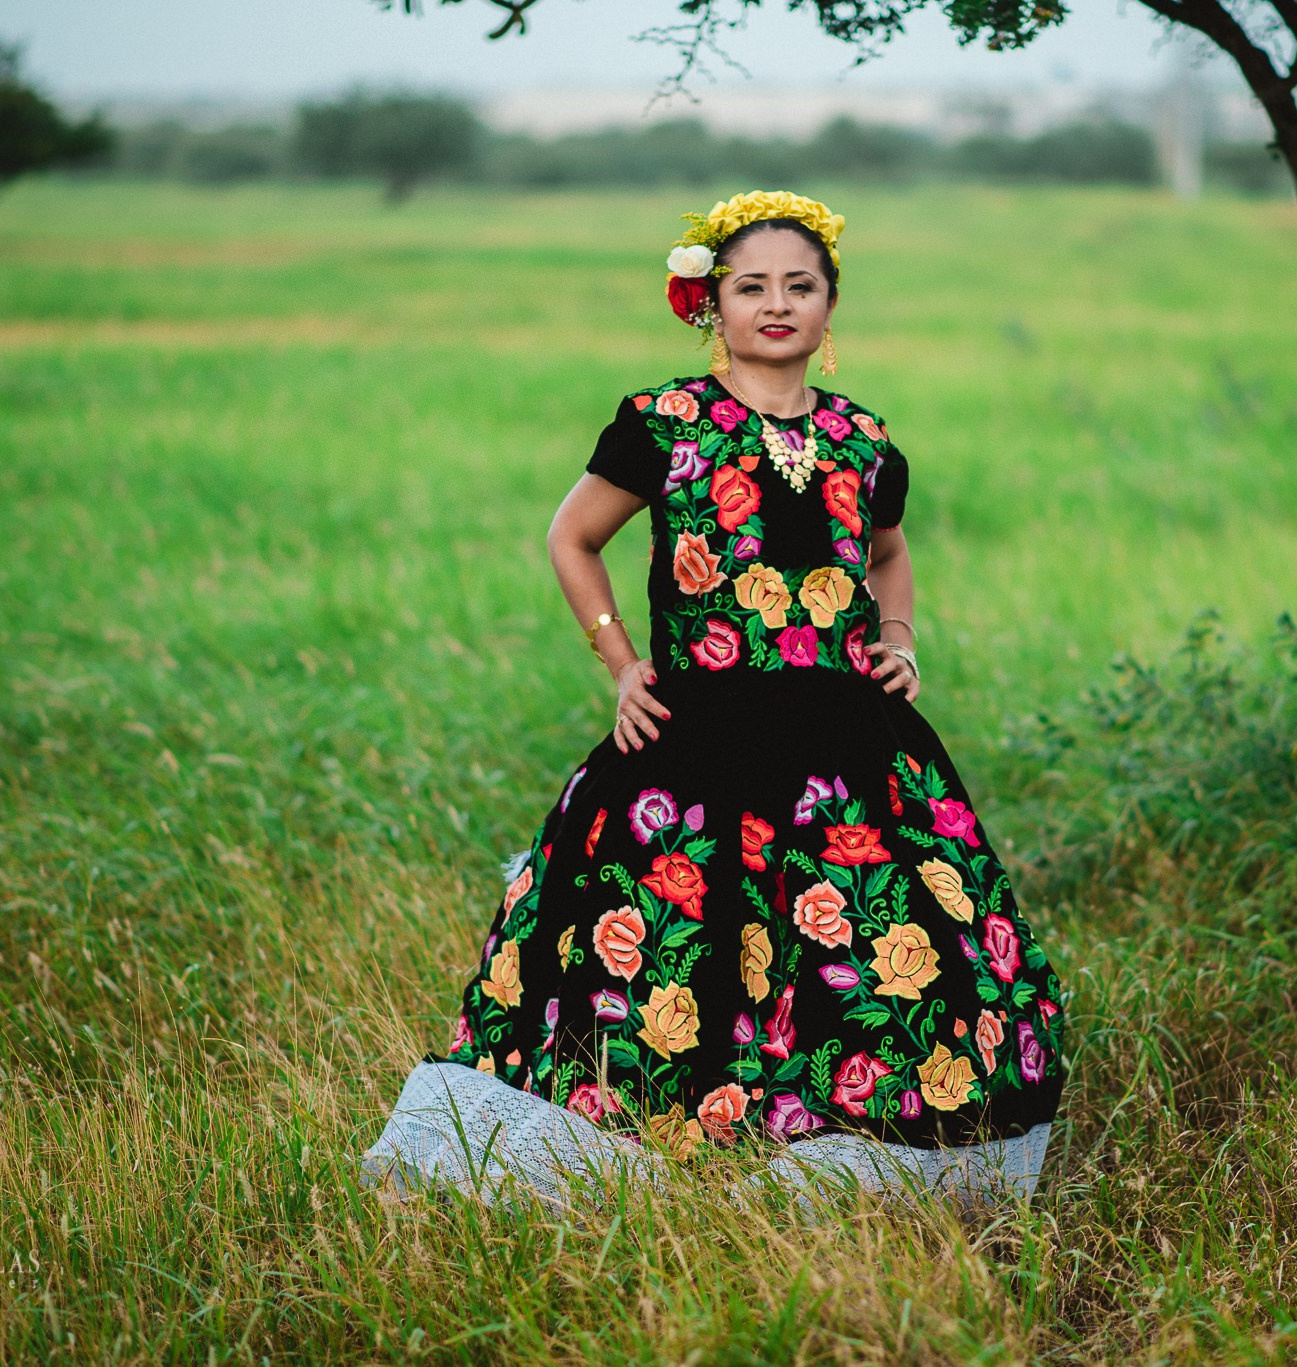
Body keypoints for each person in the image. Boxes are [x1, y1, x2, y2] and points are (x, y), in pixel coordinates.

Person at [363, 190, 1068, 1209]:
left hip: (847, 740)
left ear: (829, 308)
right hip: (693, 736)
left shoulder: (862, 441)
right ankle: (641, 1143)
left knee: (876, 946)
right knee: (667, 948)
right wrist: (622, 664)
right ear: (710, 304)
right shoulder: (663, 422)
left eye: (800, 285)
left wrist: (897, 637)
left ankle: (838, 1138)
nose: (775, 304)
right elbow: (573, 537)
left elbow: (890, 551)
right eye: (750, 287)